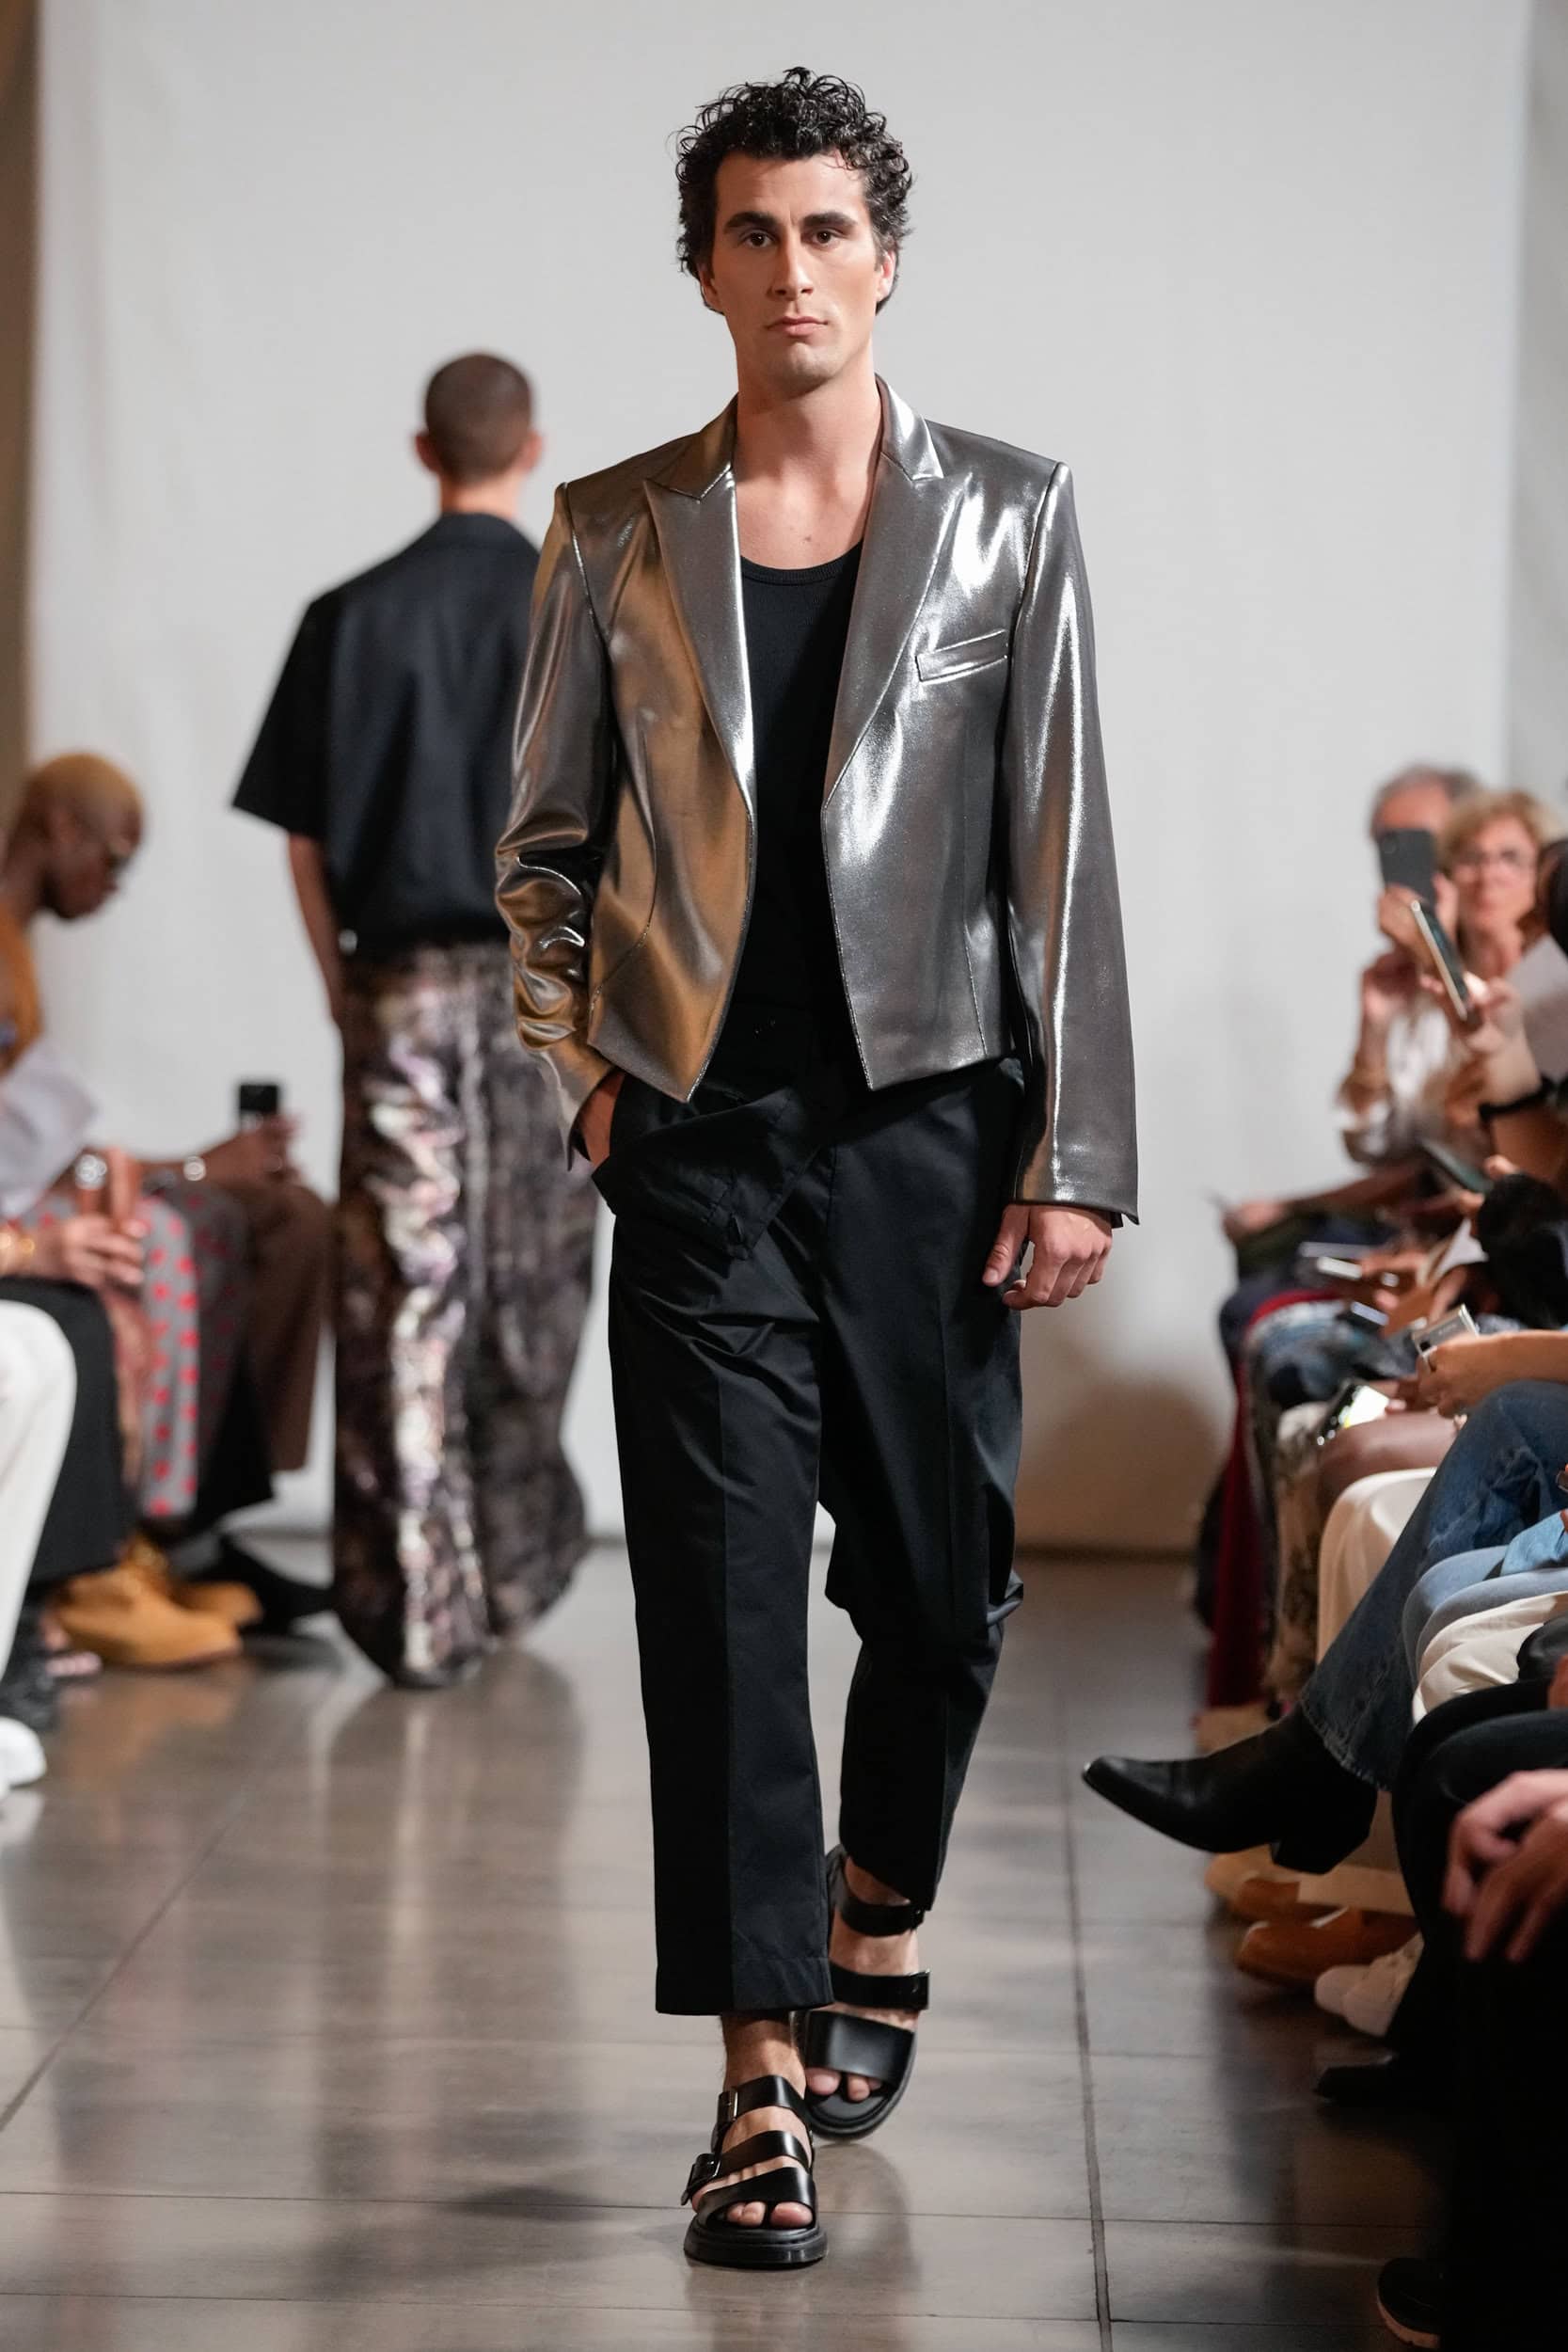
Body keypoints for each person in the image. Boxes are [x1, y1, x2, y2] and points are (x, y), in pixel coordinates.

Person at [496, 68, 1135, 2270]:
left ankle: (883, 1897)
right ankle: (755, 2073)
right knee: (723, 1606)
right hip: (696, 1146)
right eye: (752, 234)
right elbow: (545, 850)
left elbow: (1063, 849)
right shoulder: (615, 529)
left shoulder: (1008, 514)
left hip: (933, 1132)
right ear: (704, 271)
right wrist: (591, 1080)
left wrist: (1077, 1148)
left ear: (887, 258)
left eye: (828, 230)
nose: (793, 270)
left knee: (943, 1593)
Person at [235, 353, 597, 1688]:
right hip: (550, 994)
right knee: (535, 1283)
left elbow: (304, 839)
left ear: (422, 449)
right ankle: (514, 1565)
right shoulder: (580, 604)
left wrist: (343, 986)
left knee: (400, 1290)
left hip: (397, 985)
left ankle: (411, 1605)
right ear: (533, 448)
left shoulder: (348, 616)